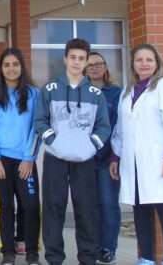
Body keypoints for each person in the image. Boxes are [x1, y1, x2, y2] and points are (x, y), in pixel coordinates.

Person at [110, 43, 163, 265]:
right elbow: (121, 128)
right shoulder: (128, 91)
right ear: (133, 64)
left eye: (149, 60)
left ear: (157, 64)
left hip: (160, 161)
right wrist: (116, 157)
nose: (144, 64)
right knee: (141, 212)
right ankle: (146, 258)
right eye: (139, 60)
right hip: (134, 163)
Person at [34, 38, 111, 265]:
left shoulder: (96, 94)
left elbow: (103, 126)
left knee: (86, 210)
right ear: (66, 59)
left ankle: (87, 258)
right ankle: (54, 258)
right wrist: (55, 143)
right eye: (73, 58)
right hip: (55, 158)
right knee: (53, 208)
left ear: (87, 62)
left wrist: (90, 146)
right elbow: (40, 121)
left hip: (84, 160)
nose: (77, 62)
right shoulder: (50, 88)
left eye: (82, 59)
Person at [0, 48, 41, 265]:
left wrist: (29, 158)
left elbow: (38, 126)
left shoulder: (34, 94)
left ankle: (32, 252)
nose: (11, 69)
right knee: (5, 205)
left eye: (15, 64)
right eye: (7, 65)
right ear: (1, 68)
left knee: (31, 205)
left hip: (26, 160)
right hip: (1, 160)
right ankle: (8, 252)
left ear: (22, 67)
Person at [85, 52, 122, 265]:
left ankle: (109, 248)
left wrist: (112, 154)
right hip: (86, 158)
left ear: (105, 67)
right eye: (90, 65)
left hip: (108, 158)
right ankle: (96, 246)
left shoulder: (115, 93)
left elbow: (117, 125)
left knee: (109, 204)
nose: (94, 68)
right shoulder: (81, 92)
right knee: (92, 205)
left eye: (98, 64)